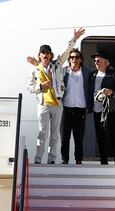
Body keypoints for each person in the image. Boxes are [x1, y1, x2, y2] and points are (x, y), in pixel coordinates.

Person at [27, 28, 85, 164]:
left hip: (57, 104)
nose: (45, 54)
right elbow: (29, 87)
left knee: (54, 136)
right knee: (42, 134)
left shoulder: (57, 65)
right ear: (40, 56)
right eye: (43, 53)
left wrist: (74, 38)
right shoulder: (34, 70)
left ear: (51, 55)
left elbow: (66, 51)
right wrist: (41, 86)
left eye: (47, 52)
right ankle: (38, 159)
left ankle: (51, 159)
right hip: (43, 105)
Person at [88, 51, 115, 165]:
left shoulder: (113, 73)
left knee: (113, 133)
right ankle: (103, 161)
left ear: (105, 62)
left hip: (110, 109)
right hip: (96, 109)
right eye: (95, 61)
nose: (96, 63)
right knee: (100, 136)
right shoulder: (92, 75)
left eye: (98, 60)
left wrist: (112, 92)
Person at [60, 48, 91, 164]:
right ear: (68, 60)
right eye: (72, 57)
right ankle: (65, 160)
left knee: (79, 138)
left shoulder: (87, 72)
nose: (74, 59)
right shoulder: (63, 72)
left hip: (81, 109)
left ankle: (78, 160)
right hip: (66, 109)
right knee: (65, 137)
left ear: (81, 60)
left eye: (77, 57)